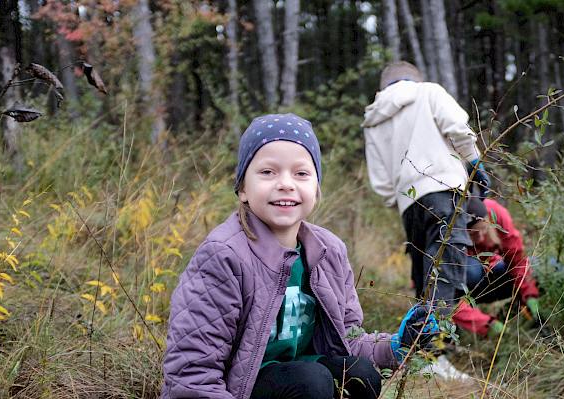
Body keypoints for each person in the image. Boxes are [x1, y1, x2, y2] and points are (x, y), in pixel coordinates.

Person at [162, 114, 440, 399]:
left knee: (360, 375)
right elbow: (193, 372)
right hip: (242, 387)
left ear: (316, 188)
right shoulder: (224, 256)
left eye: (301, 173)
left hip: (301, 380)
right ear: (243, 188)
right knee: (312, 380)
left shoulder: (327, 251)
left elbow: (345, 341)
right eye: (267, 172)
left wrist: (398, 345)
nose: (286, 183)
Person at [362, 61, 490, 315]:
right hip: (444, 190)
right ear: (414, 79)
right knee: (445, 271)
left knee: (424, 275)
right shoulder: (429, 92)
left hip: (409, 205)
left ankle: (423, 342)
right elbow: (457, 129)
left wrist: (399, 198)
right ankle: (433, 346)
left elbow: (381, 180)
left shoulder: (373, 120)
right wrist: (475, 161)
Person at [453, 197, 542, 337]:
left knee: (539, 265)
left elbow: (517, 259)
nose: (481, 238)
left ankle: (517, 314)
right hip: (468, 288)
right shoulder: (448, 235)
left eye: (483, 230)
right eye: (473, 234)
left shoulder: (496, 213)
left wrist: (529, 292)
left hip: (495, 274)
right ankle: (453, 333)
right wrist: (487, 324)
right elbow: (446, 301)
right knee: (472, 271)